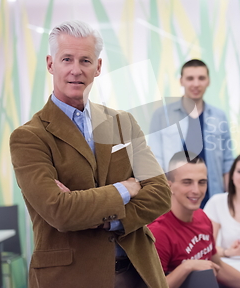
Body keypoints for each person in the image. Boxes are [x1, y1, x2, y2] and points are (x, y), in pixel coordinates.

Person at [9, 20, 171, 288]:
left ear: (98, 67)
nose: (76, 69)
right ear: (51, 64)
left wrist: (107, 221)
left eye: (85, 60)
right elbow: (59, 211)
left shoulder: (123, 123)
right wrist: (125, 188)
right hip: (71, 278)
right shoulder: (29, 137)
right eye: (67, 59)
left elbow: (160, 194)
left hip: (138, 272)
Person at [148, 151, 240, 288]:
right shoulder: (158, 231)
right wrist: (187, 267)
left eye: (202, 182)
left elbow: (218, 267)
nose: (196, 190)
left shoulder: (202, 217)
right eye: (187, 182)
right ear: (169, 186)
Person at [148, 59, 234, 207]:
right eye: (190, 78)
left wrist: (230, 201)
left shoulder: (219, 116)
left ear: (208, 81)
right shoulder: (162, 115)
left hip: (213, 200)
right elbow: (156, 162)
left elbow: (227, 162)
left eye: (201, 78)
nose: (196, 84)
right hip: (173, 201)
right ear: (181, 81)